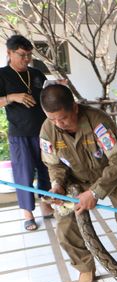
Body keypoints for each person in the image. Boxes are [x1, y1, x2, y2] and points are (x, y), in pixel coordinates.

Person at [39, 84, 117, 282]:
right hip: (75, 179)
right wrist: (57, 185)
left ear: (74, 108)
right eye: (52, 119)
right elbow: (54, 164)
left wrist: (95, 192)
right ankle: (85, 267)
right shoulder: (47, 129)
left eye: (63, 118)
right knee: (64, 223)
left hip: (112, 175)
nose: (59, 124)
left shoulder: (98, 122)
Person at [0, 34, 53, 231]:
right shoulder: (2, 74)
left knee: (46, 168)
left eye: (29, 55)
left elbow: (46, 95)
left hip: (43, 130)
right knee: (24, 172)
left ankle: (46, 204)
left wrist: (57, 88)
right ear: (9, 53)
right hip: (20, 133)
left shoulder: (36, 73)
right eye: (22, 55)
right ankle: (27, 213)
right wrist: (12, 97)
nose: (27, 59)